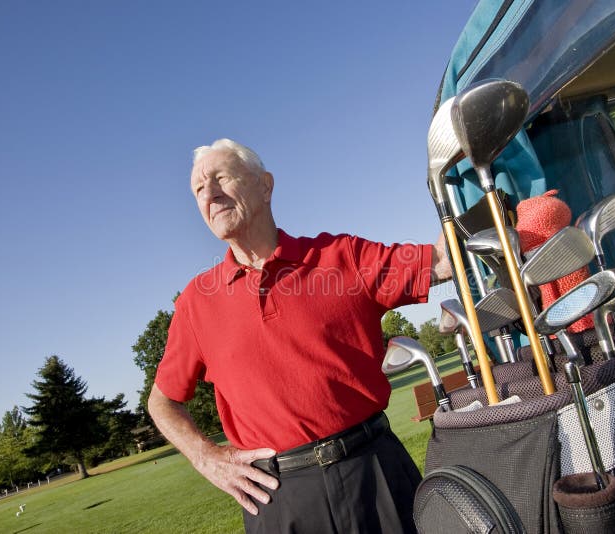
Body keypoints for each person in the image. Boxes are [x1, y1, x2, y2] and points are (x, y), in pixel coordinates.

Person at [148, 138, 451, 533]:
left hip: (375, 474)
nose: (209, 192)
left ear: (265, 185)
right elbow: (162, 402)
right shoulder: (195, 302)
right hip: (277, 497)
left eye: (220, 177)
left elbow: (443, 260)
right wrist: (205, 457)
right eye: (199, 189)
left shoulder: (340, 256)